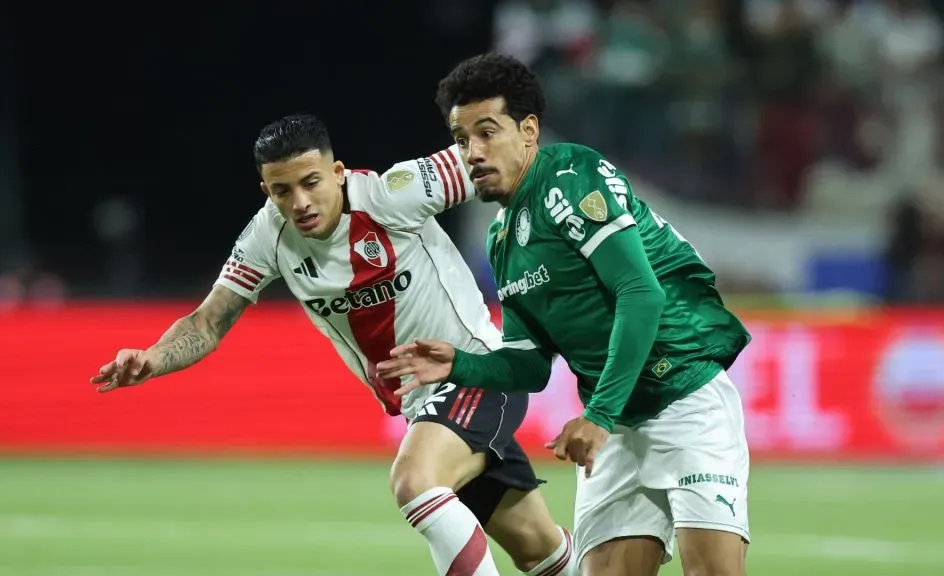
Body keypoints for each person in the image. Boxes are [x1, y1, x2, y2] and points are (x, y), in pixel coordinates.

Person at [89, 114, 575, 576]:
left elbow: (494, 157)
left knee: (414, 482)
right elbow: (209, 322)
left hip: (478, 371)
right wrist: (153, 356)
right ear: (266, 191)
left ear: (337, 173)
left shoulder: (394, 193)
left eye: (311, 182)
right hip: (423, 406)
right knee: (540, 552)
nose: (299, 201)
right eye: (282, 190)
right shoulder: (268, 236)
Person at [377, 54, 753, 576]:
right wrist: (460, 364)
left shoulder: (570, 177)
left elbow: (641, 294)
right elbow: (529, 365)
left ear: (528, 130)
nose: (472, 153)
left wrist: (597, 417)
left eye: (487, 133)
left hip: (683, 399)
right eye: (461, 140)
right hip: (615, 426)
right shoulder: (503, 240)